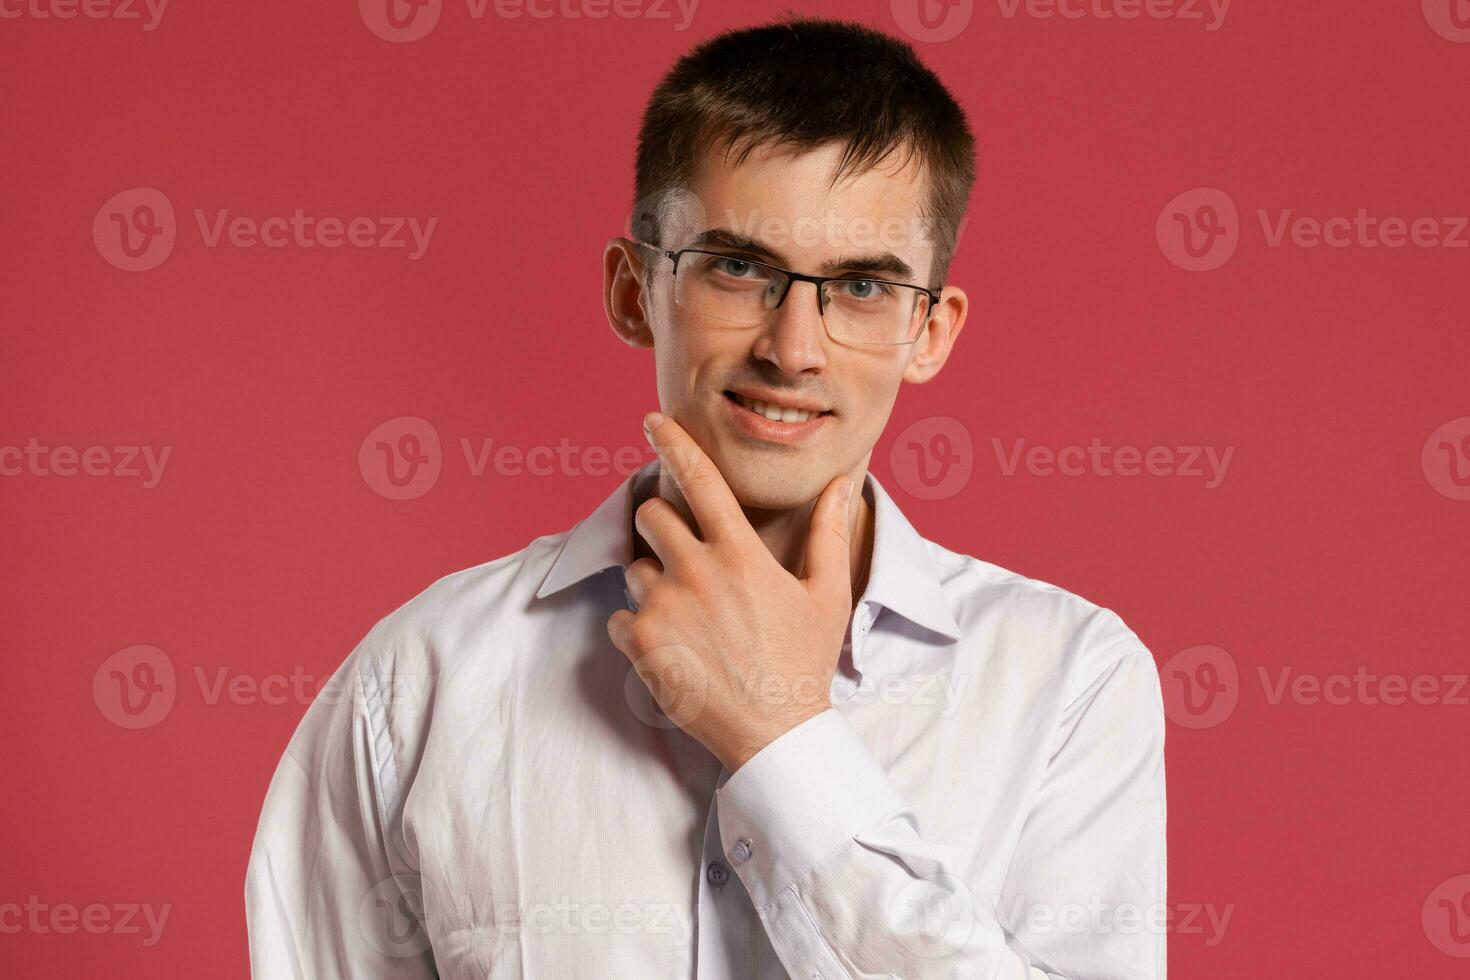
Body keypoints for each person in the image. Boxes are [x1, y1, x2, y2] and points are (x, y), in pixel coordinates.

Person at [245, 16, 1166, 979]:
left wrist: (779, 735)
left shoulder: (1071, 685)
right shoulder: (416, 686)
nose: (793, 348)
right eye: (739, 268)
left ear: (929, 332)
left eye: (860, 287)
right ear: (635, 289)